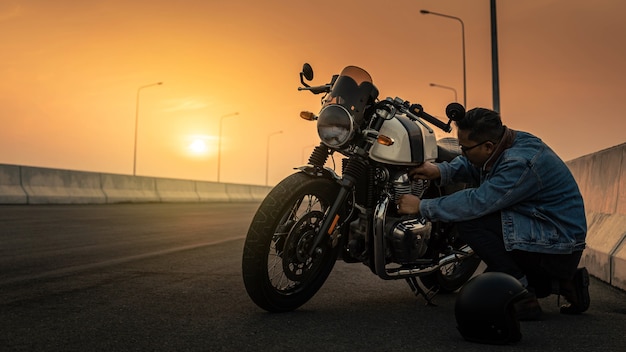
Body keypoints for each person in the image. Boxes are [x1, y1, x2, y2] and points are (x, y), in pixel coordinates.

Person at [396, 107, 590, 320]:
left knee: (472, 222)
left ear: (488, 146)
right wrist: (441, 170)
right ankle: (567, 283)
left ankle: (522, 295)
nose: (462, 153)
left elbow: (478, 202)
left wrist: (422, 206)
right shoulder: (506, 142)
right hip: (546, 231)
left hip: (557, 245)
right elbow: (475, 165)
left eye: (465, 148)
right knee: (491, 280)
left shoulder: (518, 162)